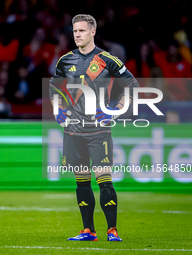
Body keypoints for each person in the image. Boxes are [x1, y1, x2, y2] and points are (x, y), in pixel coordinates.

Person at [49, 14, 139, 241]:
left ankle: (112, 230)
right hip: (73, 131)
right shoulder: (65, 61)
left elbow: (132, 86)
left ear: (92, 32)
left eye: (81, 30)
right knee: (81, 182)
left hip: (99, 132)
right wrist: (57, 109)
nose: (77, 35)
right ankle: (88, 230)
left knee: (104, 181)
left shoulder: (108, 60)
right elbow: (54, 88)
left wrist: (115, 110)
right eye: (74, 31)